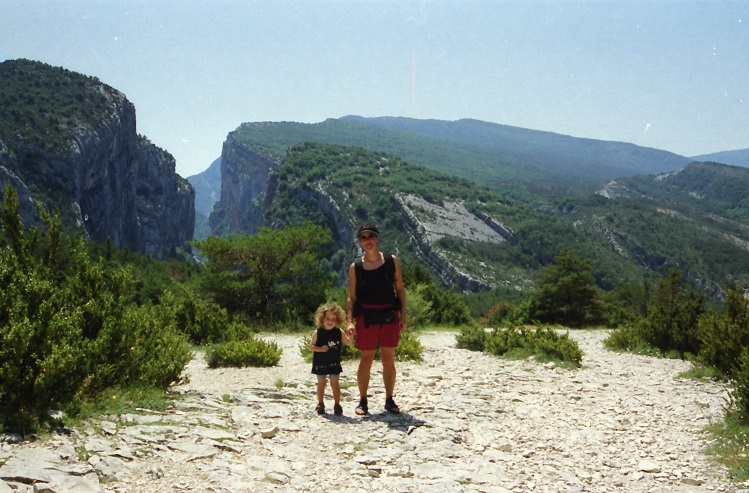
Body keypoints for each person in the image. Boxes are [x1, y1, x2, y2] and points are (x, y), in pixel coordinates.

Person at [346, 223, 407, 415]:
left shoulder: (391, 261)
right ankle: (362, 401)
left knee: (388, 360)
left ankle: (389, 399)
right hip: (366, 318)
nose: (368, 241)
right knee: (366, 360)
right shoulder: (355, 267)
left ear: (378, 238)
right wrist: (349, 321)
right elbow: (351, 297)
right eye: (363, 238)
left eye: (371, 236)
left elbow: (400, 289)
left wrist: (403, 314)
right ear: (360, 241)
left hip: (389, 315)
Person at [310, 302, 353, 415]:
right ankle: (320, 403)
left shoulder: (339, 332)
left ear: (338, 320)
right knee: (321, 383)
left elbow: (348, 342)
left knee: (335, 384)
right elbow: (311, 346)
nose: (330, 321)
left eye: (333, 319)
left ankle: (337, 404)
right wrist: (320, 349)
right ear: (322, 318)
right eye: (328, 318)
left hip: (334, 362)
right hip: (321, 362)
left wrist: (352, 333)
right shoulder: (318, 332)